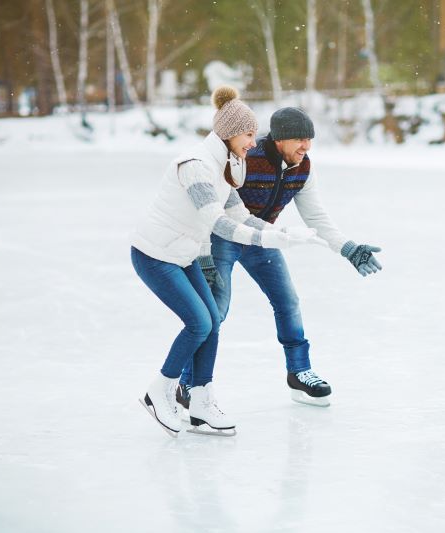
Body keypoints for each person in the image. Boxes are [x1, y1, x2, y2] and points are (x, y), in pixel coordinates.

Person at [131, 87, 324, 437]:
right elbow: (219, 223)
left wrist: (283, 234)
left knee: (212, 321)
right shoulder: (196, 166)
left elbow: (241, 215)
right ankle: (159, 390)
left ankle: (200, 402)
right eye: (248, 135)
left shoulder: (226, 167)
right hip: (155, 255)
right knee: (199, 323)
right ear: (230, 133)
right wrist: (270, 239)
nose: (254, 142)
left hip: (184, 254)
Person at [177, 107, 383, 408]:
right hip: (223, 237)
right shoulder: (246, 157)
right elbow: (208, 211)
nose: (306, 146)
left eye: (309, 139)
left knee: (288, 302)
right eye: (300, 139)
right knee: (214, 312)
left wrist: (347, 248)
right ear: (279, 139)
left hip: (263, 238)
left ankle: (299, 372)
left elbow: (316, 216)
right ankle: (187, 383)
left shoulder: (302, 167)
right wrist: (204, 254)